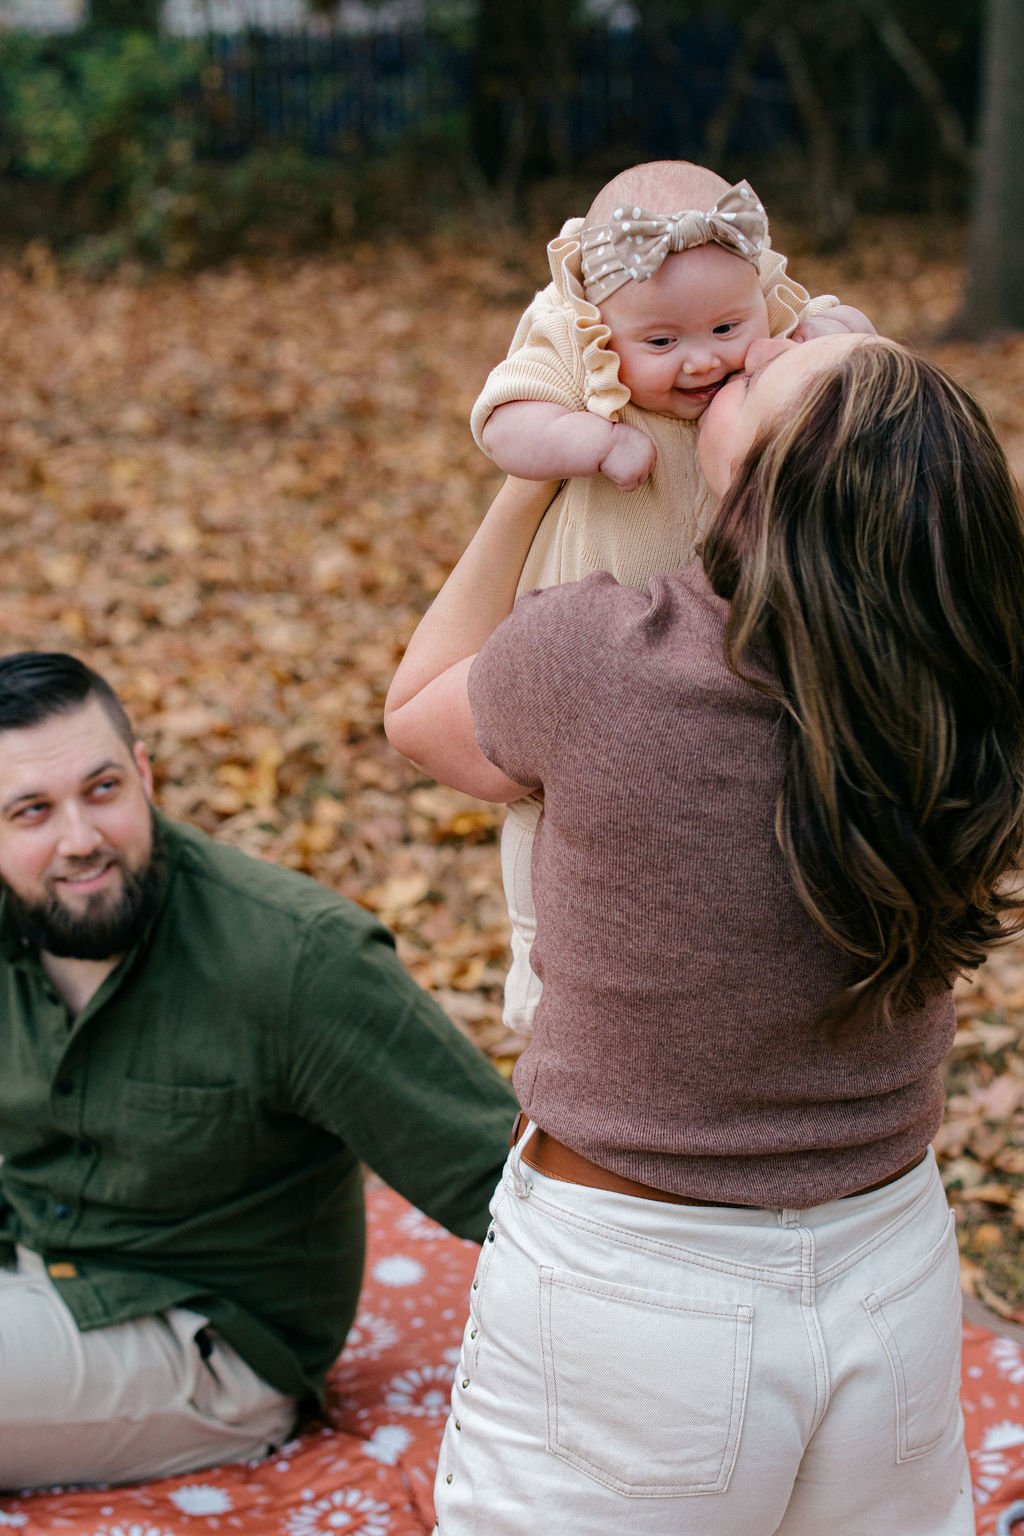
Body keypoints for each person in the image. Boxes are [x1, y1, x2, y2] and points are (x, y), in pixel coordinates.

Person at [385, 333, 1024, 1534]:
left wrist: (533, 474)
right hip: (892, 1263)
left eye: (768, 370)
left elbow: (417, 711)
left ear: (769, 488)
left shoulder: (599, 661)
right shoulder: (973, 689)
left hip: (634, 1289)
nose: (760, 342)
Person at [0, 651, 519, 1491]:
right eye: (30, 811)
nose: (80, 839)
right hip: (27, 1266)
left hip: (206, 1336)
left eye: (101, 791)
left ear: (143, 774)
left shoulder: (294, 960)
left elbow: (501, 1185)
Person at [472, 158, 875, 1038]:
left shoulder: (756, 299)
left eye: (728, 328)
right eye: (659, 345)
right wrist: (584, 441)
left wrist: (832, 323)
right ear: (604, 322)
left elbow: (834, 339)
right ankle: (544, 987)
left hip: (722, 641)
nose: (703, 362)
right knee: (546, 831)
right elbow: (503, 419)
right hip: (591, 648)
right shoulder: (569, 322)